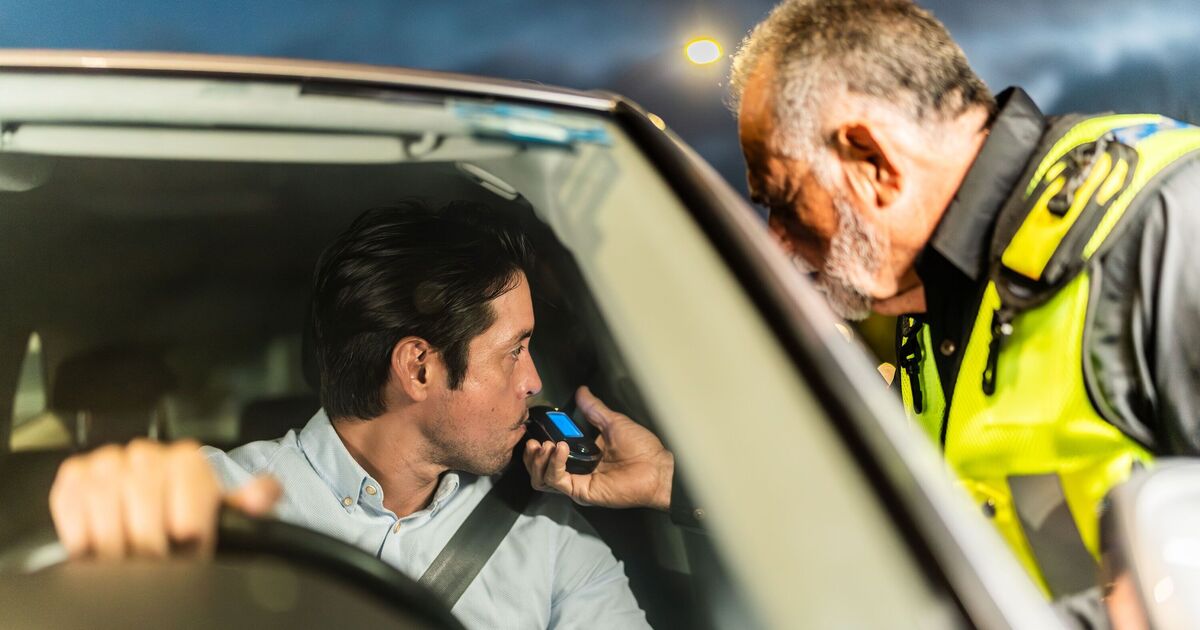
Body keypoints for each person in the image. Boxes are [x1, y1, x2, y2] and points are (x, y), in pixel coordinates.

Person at [526, 0, 1200, 627]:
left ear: (872, 160)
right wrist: (670, 483)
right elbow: (897, 523)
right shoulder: (940, 303)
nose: (778, 245)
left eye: (784, 202)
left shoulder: (1167, 227)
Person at [48, 201, 650, 630]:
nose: (534, 382)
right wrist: (104, 551)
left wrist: (668, 485)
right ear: (419, 368)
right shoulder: (208, 508)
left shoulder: (550, 542)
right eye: (514, 351)